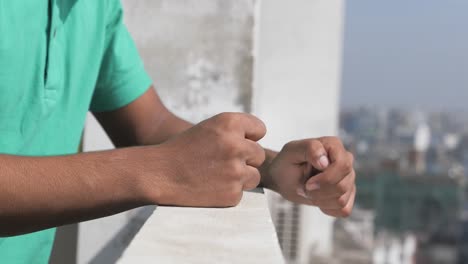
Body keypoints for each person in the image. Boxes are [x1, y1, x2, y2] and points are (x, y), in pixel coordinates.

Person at [0, 0, 356, 263]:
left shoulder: (96, 8)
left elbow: (150, 125)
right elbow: (161, 159)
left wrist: (269, 167)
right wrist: (159, 171)